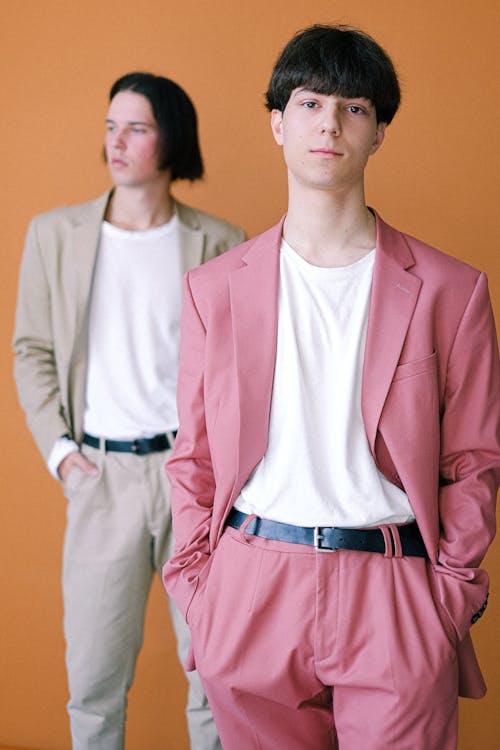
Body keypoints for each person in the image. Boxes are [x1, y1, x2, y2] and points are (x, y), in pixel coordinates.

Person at [162, 25, 500, 750]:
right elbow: (192, 458)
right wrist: (198, 589)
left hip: (394, 586)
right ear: (278, 122)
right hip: (252, 584)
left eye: (354, 108)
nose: (330, 123)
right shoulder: (213, 290)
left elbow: (474, 461)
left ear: (378, 132)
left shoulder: (452, 290)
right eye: (311, 103)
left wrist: (450, 594)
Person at [13, 71, 245, 750]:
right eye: (110, 125)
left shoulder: (223, 242)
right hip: (102, 476)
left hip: (194, 480)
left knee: (215, 677)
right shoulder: (56, 234)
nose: (117, 140)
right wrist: (61, 452)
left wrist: (226, 469)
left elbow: (245, 370)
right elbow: (31, 350)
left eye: (136, 127)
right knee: (93, 682)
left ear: (170, 138)